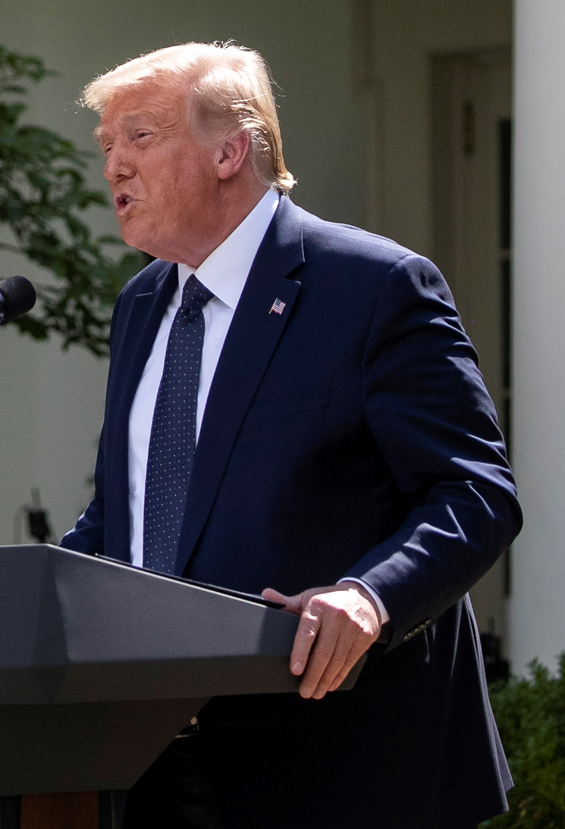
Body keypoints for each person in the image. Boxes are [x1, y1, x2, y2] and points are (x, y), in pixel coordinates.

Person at [59, 44, 520, 829]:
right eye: (106, 146)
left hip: (338, 761)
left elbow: (474, 491)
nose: (113, 168)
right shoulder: (142, 306)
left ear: (229, 151)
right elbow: (126, 519)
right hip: (152, 763)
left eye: (138, 137)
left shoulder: (374, 288)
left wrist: (369, 595)